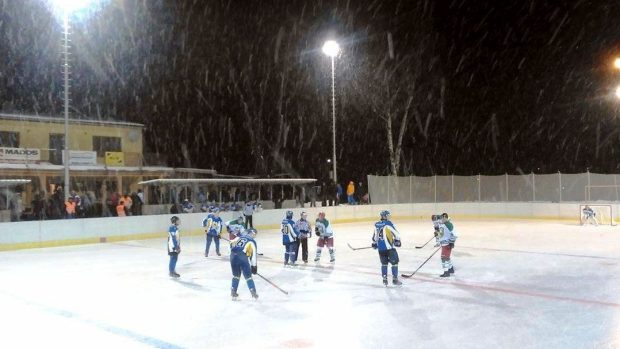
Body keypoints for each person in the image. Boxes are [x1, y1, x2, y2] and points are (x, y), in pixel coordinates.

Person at [372, 210, 402, 286]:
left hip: (381, 249)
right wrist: (397, 241)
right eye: (387, 215)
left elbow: (375, 237)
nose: (388, 217)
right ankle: (395, 279)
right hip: (389, 248)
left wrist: (375, 244)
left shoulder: (376, 224)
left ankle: (384, 279)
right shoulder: (388, 223)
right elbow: (397, 234)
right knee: (394, 263)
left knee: (384, 264)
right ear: (384, 216)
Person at [229, 226, 259, 299]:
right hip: (242, 257)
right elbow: (253, 255)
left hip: (232, 256)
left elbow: (231, 244)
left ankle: (233, 291)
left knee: (236, 275)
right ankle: (253, 291)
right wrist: (254, 266)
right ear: (252, 233)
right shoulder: (252, 241)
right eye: (255, 234)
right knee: (248, 276)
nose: (255, 236)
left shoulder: (239, 237)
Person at [437, 213, 457, 277]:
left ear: (445, 218)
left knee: (443, 258)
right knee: (447, 257)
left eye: (442, 218)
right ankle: (451, 269)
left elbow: (455, 234)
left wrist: (451, 242)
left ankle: (446, 272)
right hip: (444, 244)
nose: (441, 219)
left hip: (447, 244)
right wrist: (437, 233)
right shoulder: (443, 224)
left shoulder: (449, 225)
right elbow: (442, 234)